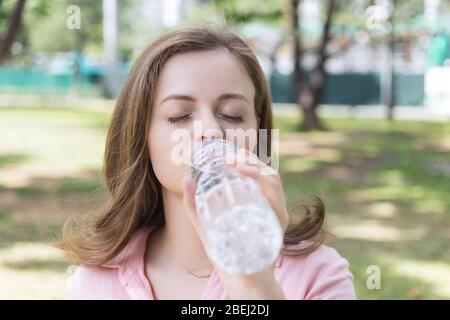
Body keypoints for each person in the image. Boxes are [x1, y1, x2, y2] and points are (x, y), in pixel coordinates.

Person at [60, 26, 356, 300]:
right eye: (178, 115)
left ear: (258, 133)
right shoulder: (95, 282)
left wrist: (256, 283)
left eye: (232, 114)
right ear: (142, 137)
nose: (211, 130)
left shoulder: (318, 274)